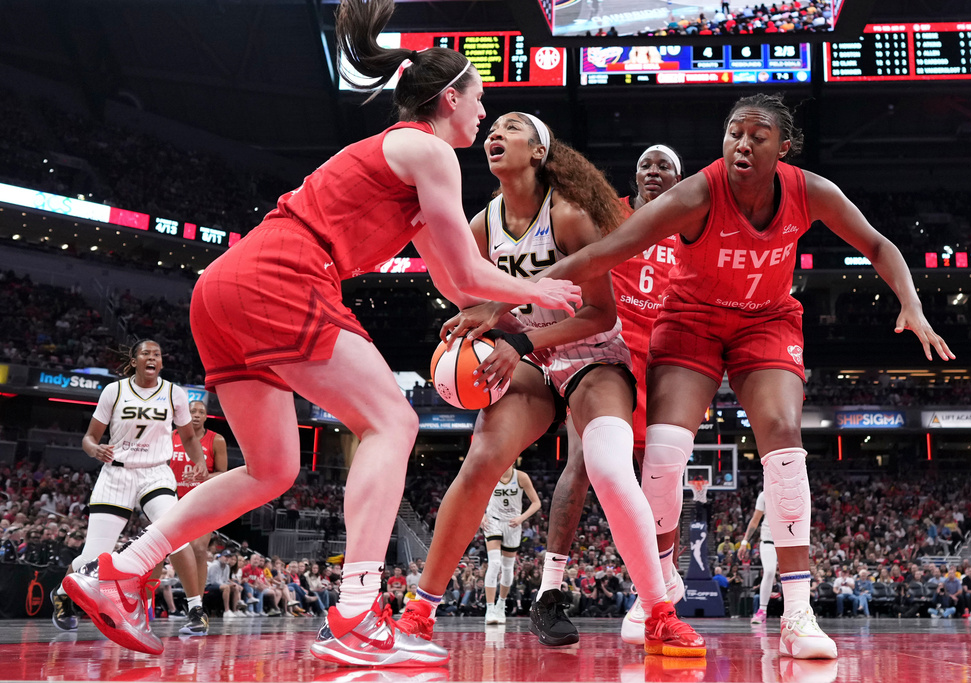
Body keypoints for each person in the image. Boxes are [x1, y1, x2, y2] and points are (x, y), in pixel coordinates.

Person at [60, 0, 580, 666]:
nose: (482, 116)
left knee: (274, 467)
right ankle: (359, 612)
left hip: (225, 286)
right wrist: (540, 289)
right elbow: (477, 265)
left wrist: (502, 316)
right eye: (478, 101)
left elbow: (454, 278)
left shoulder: (408, 164)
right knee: (393, 420)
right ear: (449, 98)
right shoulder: (430, 151)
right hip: (284, 273)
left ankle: (121, 569)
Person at [449, 93, 955, 660]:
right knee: (662, 452)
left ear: (782, 147)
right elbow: (607, 251)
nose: (742, 143)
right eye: (733, 132)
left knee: (785, 438)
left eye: (756, 136)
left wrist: (910, 302)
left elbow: (878, 245)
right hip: (689, 323)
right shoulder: (697, 193)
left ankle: (798, 613)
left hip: (765, 321)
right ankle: (657, 590)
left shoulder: (809, 191)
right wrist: (512, 300)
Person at [396, 113, 705, 660]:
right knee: (484, 459)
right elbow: (470, 293)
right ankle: (420, 612)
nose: (495, 132)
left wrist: (517, 340)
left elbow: (598, 313)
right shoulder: (481, 225)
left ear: (539, 151)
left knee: (607, 467)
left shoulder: (570, 216)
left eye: (512, 127)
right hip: (532, 355)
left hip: (593, 352)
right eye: (492, 127)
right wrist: (471, 323)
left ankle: (659, 612)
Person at [527, 144, 686, 648]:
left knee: (661, 471)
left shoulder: (691, 225)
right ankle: (549, 593)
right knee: (581, 463)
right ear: (635, 175)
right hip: (605, 346)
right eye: (646, 164)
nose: (654, 171)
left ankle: (658, 587)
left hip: (664, 355)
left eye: (664, 166)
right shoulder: (605, 211)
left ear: (679, 179)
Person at [52, 340, 210, 636]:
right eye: (146, 353)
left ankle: (195, 609)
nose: (152, 358)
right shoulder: (114, 390)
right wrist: (94, 450)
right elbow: (89, 437)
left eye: (157, 355)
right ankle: (62, 595)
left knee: (177, 536)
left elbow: (189, 438)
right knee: (93, 559)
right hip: (116, 473)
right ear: (135, 360)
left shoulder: (174, 392)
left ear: (161, 363)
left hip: (156, 473)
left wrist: (199, 460)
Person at [168, 400, 228, 612]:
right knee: (163, 551)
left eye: (201, 412)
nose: (196, 414)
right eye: (192, 411)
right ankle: (147, 603)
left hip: (203, 501)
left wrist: (204, 476)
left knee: (200, 548)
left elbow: (223, 474)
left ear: (205, 417)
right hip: (172, 500)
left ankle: (197, 604)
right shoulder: (170, 436)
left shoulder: (216, 440)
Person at [481, 464, 541, 625]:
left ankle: (501, 604)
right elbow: (476, 496)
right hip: (493, 521)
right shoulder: (490, 474)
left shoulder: (521, 477)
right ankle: (490, 608)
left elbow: (536, 503)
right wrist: (481, 516)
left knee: (507, 567)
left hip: (513, 524)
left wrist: (521, 518)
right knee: (494, 563)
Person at [739, 489, 776, 624]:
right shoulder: (764, 495)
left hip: (786, 541)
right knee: (770, 571)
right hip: (768, 541)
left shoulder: (791, 493)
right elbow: (755, 521)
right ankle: (762, 611)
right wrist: (744, 542)